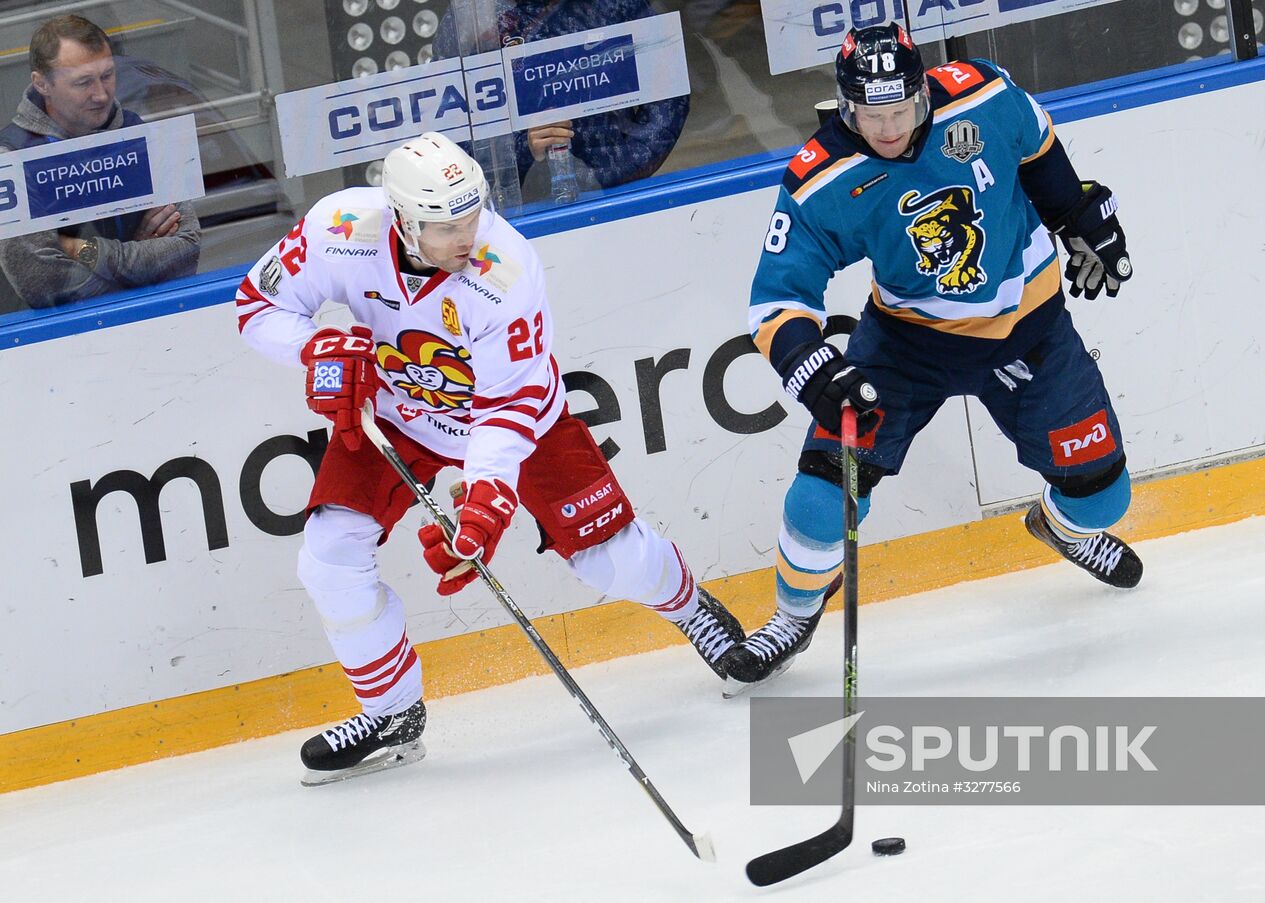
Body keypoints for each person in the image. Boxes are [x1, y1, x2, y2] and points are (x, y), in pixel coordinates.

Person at [236, 132, 743, 782]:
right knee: (328, 553)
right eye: (446, 227)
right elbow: (257, 306)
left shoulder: (505, 265)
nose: (467, 237)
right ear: (402, 220)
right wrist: (316, 347)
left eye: (473, 215)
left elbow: (508, 402)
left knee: (609, 561)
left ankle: (691, 606)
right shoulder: (340, 230)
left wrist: (488, 499)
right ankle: (392, 713)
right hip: (400, 412)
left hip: (512, 417)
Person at [721, 24, 1143, 691]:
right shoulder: (823, 175)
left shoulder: (983, 96)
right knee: (820, 495)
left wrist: (1080, 216)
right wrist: (815, 373)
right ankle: (792, 616)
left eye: (900, 110)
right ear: (845, 106)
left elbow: (1039, 151)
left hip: (1031, 331)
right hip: (905, 347)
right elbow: (776, 300)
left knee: (1103, 498)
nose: (887, 129)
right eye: (871, 115)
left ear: (924, 89)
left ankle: (1061, 527)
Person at [0, 15, 200, 313]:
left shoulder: (137, 132)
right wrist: (139, 252)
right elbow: (45, 285)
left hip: (154, 321)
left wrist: (85, 251)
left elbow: (186, 249)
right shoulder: (11, 157)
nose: (102, 94)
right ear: (42, 84)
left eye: (107, 75)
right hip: (50, 342)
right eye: (83, 82)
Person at [433, 0, 688, 203]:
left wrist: (613, 173)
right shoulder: (469, 18)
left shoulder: (612, 4)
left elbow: (667, 90)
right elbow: (450, 129)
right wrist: (522, 150)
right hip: (518, 212)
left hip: (618, 196)